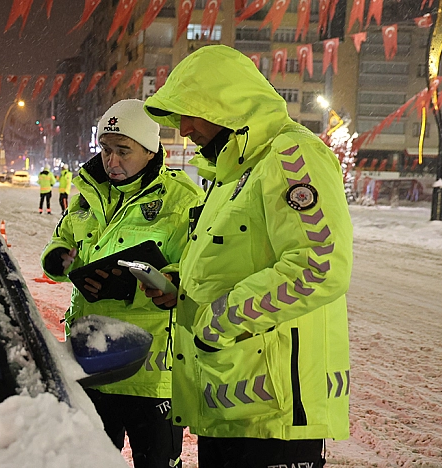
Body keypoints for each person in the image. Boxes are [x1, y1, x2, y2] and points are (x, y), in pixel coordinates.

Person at [143, 45, 353, 467]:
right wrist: (181, 287)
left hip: (277, 413)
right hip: (229, 403)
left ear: (224, 105)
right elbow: (232, 259)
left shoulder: (290, 156)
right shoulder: (230, 171)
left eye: (189, 112)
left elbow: (319, 265)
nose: (182, 129)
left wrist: (217, 323)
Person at [41, 99, 203, 468]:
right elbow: (61, 242)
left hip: (149, 370)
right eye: (106, 149)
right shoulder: (87, 195)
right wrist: (58, 259)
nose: (111, 161)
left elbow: (197, 270)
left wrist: (163, 282)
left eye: (123, 151)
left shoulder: (182, 200)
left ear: (150, 150)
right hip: (91, 360)